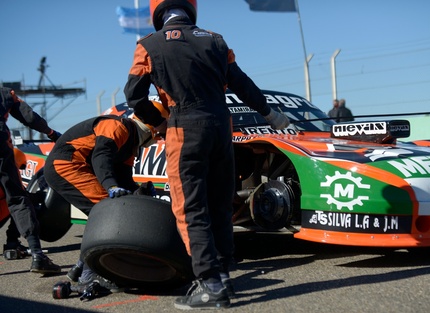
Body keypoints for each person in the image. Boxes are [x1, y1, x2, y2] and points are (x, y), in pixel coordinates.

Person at [124, 0, 290, 309]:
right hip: (220, 127)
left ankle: (210, 284)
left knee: (190, 208)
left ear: (156, 11)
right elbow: (241, 83)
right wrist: (270, 114)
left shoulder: (148, 45)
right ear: (191, 8)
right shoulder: (215, 39)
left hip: (184, 128)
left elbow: (133, 95)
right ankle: (224, 272)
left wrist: (159, 123)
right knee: (219, 203)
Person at [44, 113, 163, 291]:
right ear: (150, 128)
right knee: (106, 213)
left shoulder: (130, 142)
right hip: (67, 164)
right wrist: (110, 185)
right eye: (160, 132)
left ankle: (79, 268)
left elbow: (124, 178)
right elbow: (101, 157)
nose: (160, 137)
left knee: (114, 209)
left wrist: (140, 192)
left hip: (78, 165)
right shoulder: (118, 126)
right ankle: (89, 275)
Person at [0, 87, 61, 273]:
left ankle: (12, 242)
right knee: (18, 198)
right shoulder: (4, 93)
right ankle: (37, 255)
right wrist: (51, 133)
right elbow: (28, 116)